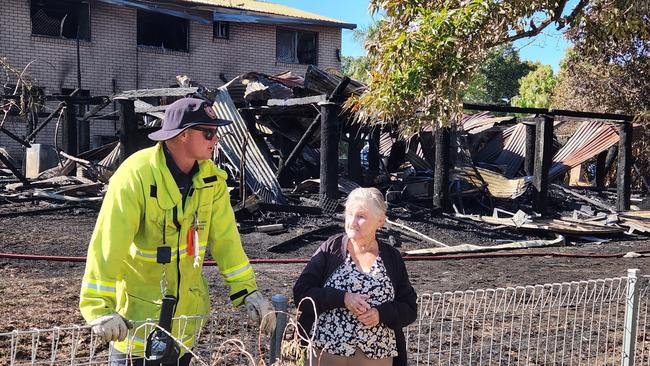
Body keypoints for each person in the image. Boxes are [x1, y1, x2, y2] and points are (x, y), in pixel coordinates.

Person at [79, 97, 275, 365]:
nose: (215, 139)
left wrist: (248, 291)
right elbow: (107, 245)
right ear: (183, 135)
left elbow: (227, 243)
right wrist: (99, 307)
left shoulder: (211, 181)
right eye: (209, 132)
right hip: (137, 328)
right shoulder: (136, 175)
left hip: (185, 328)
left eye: (216, 132)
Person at [293, 187, 417, 366]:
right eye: (349, 214)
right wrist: (342, 298)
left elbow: (409, 308)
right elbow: (301, 293)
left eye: (361, 216)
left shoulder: (391, 258)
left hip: (377, 354)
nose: (352, 222)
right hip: (326, 350)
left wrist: (380, 314)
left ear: (380, 221)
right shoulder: (331, 249)